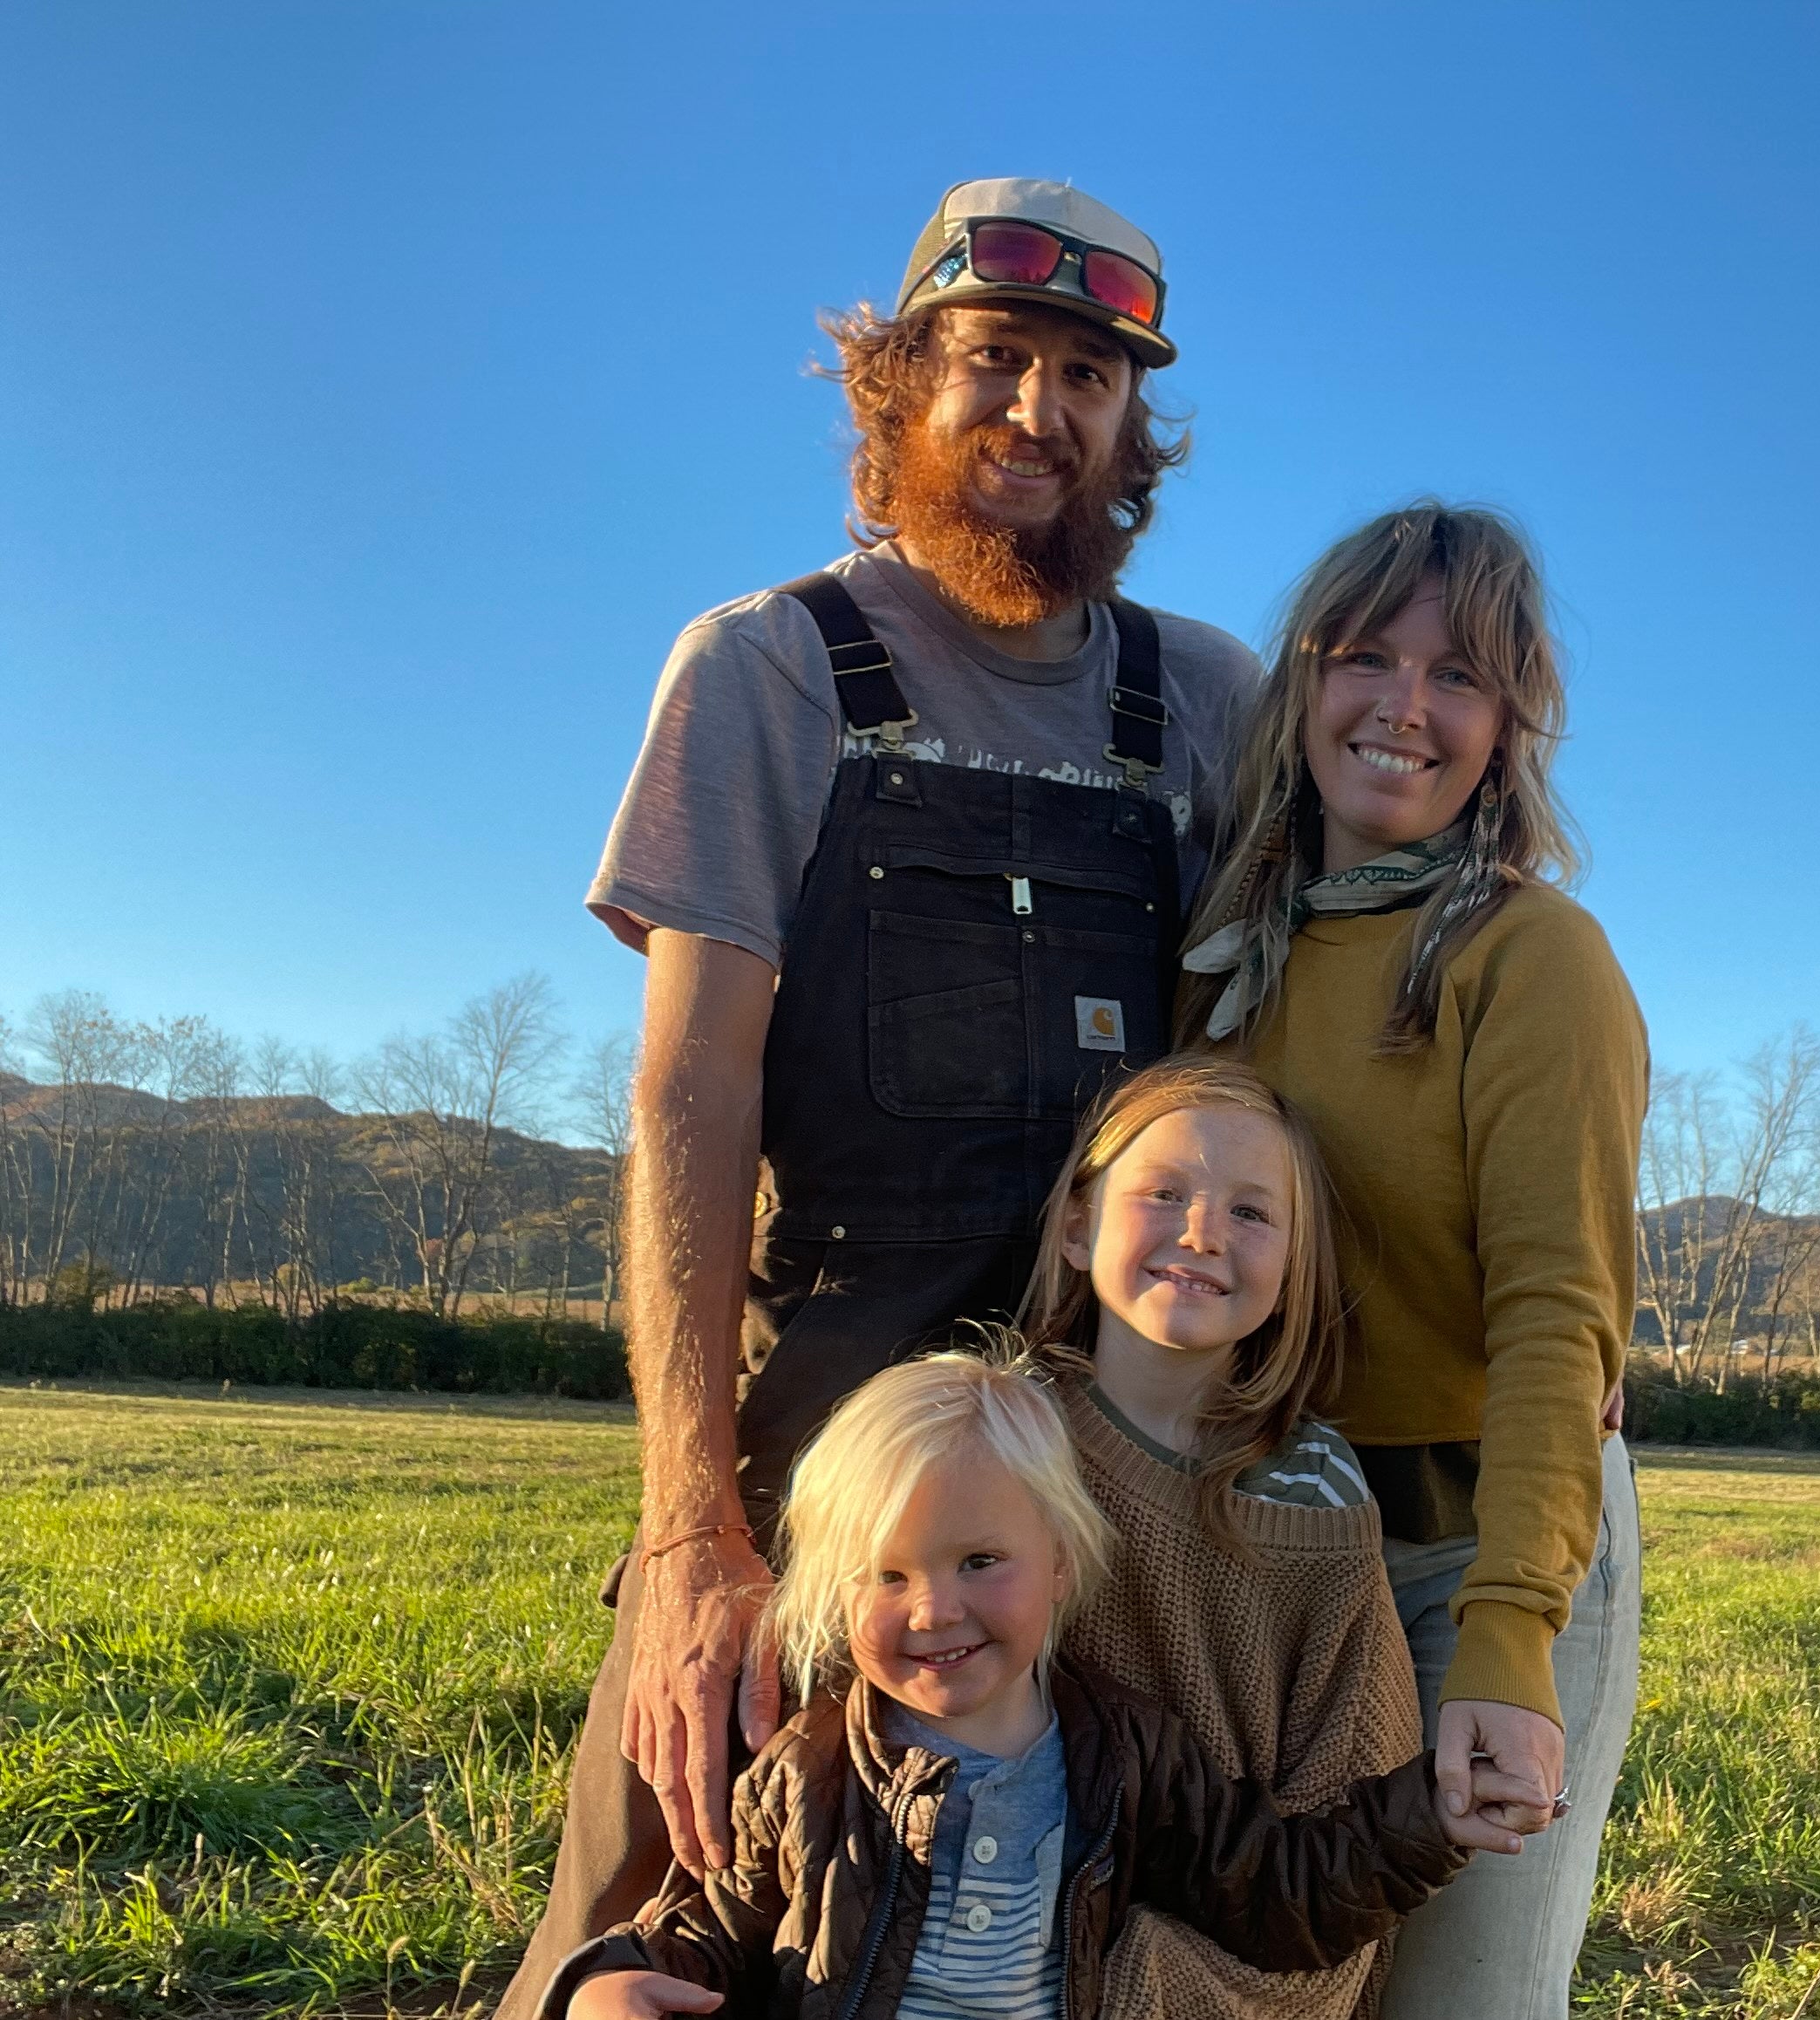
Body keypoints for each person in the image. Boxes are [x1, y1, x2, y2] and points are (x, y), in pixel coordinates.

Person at [497, 177, 1260, 2018]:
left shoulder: (1212, 703)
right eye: (994, 359)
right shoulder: (768, 670)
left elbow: (1294, 1088)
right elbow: (692, 1097)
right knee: (653, 1914)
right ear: (899, 383)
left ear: (1126, 427)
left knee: (1100, 1937)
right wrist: (695, 1534)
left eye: (1087, 376)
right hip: (830, 1430)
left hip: (1123, 1438)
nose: (1037, 412)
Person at [1181, 504, 1648, 2018]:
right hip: (1269, 1556)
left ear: (1508, 726)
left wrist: (1511, 1635)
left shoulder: (1530, 962)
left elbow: (1552, 1321)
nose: (1402, 706)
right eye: (1363, 656)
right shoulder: (1224, 964)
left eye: (1457, 677)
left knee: (1459, 2001)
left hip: (1480, 1551)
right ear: (1300, 685)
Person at [545, 1351, 1486, 2020]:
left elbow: (1276, 1893)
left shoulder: (1123, 1755)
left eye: (980, 1561)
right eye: (887, 1576)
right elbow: (714, 1926)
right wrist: (608, 1980)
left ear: (1063, 1565)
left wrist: (1436, 1809)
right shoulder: (811, 1770)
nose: (932, 1611)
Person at [1022, 1055, 1545, 2017]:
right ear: (1074, 1222)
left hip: (1226, 1956)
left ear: (1296, 1266)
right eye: (1163, 1191)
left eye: (1253, 1213)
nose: (1202, 1232)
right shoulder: (985, 1440)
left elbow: (1337, 1863)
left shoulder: (1316, 1494)